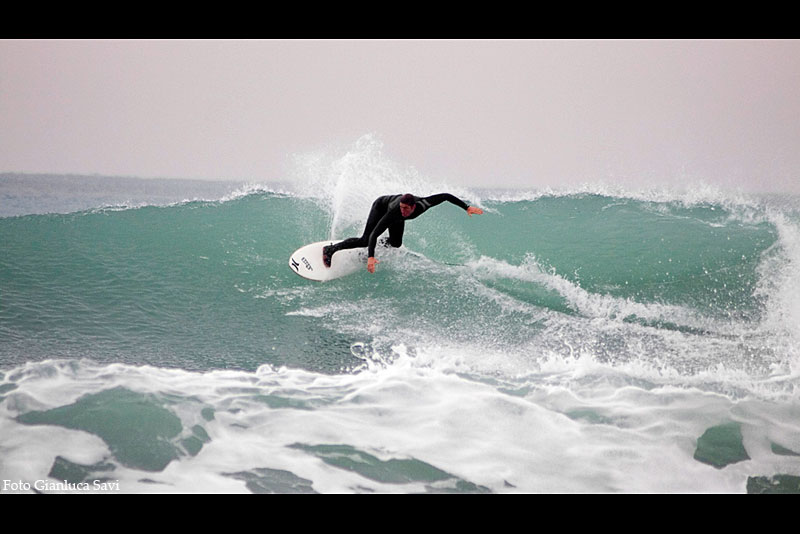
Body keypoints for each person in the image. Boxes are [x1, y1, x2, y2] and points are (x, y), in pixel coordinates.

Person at [323, 193, 483, 273]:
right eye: (401, 208)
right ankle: (330, 250)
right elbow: (374, 234)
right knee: (366, 239)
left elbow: (446, 196)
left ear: (413, 207)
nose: (403, 210)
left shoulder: (423, 204)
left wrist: (467, 207)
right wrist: (371, 257)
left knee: (396, 243)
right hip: (381, 207)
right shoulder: (395, 211)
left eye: (406, 209)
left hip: (397, 217)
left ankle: (370, 250)